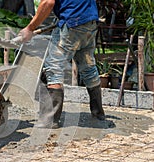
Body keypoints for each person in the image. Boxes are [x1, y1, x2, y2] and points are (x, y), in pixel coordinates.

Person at [19, 0, 105, 129]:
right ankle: (98, 113)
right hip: (90, 23)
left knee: (53, 68)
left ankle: (50, 120)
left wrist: (30, 28)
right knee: (88, 67)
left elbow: (48, 2)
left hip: (72, 23)